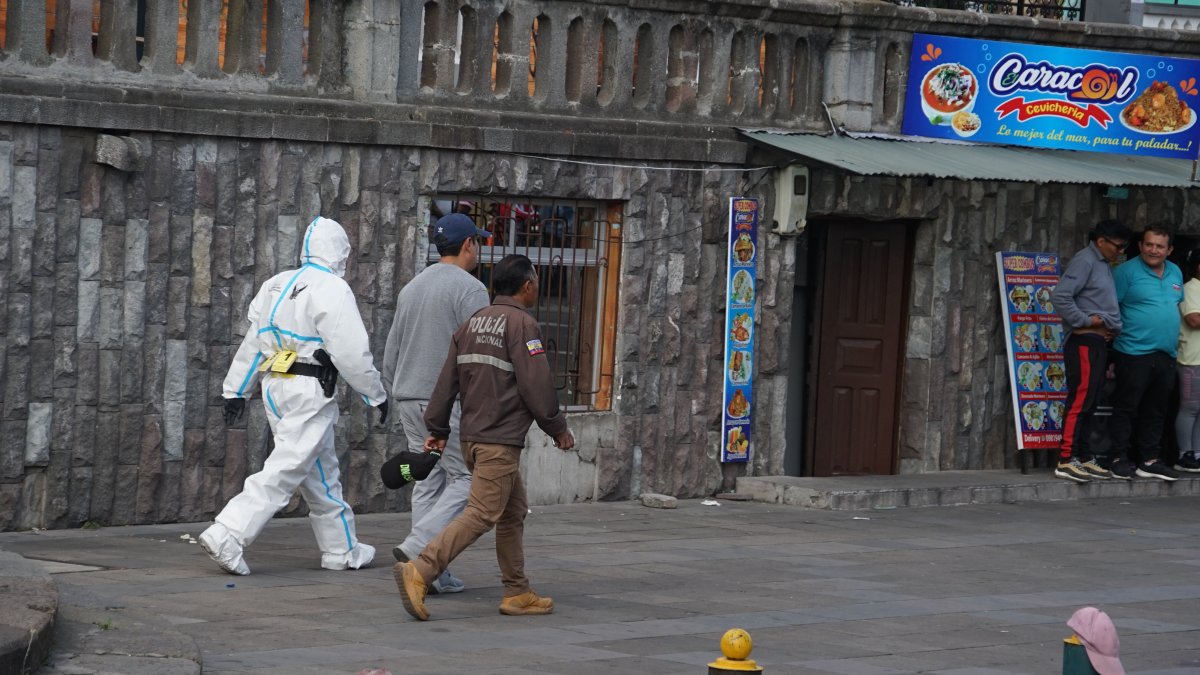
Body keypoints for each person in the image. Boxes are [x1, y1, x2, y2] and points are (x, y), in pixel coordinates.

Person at [198, 216, 389, 575]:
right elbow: (351, 352)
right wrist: (374, 394)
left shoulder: (276, 284)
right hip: (309, 387)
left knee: (318, 468)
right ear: (339, 253)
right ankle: (228, 532)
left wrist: (236, 390)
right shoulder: (331, 288)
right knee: (287, 466)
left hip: (275, 384)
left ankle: (341, 549)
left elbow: (255, 342)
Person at [394, 254, 575, 621]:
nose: (538, 286)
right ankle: (422, 569)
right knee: (482, 512)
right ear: (527, 285)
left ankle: (517, 591)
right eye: (537, 280)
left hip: (473, 438)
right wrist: (557, 427)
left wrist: (438, 429)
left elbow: (447, 382)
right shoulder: (522, 325)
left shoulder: (473, 323)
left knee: (512, 512)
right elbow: (536, 384)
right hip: (499, 440)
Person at [380, 212, 491, 595]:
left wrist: (394, 389)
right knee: (467, 479)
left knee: (427, 477)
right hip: (446, 400)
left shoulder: (412, 287)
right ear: (467, 245)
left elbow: (391, 349)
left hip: (407, 394)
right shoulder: (471, 288)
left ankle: (432, 574)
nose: (478, 249)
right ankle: (419, 548)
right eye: (478, 242)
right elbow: (480, 352)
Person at [1051, 220, 1132, 483]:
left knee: (1092, 401)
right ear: (1101, 242)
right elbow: (1061, 296)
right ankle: (1066, 459)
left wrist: (1109, 328)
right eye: (1118, 246)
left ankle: (1085, 457)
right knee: (1080, 399)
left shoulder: (1104, 264)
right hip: (1083, 341)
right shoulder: (1085, 260)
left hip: (1098, 342)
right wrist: (1087, 321)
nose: (1120, 251)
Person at [1108, 224, 1184, 481]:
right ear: (1140, 246)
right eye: (1148, 244)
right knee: (1126, 407)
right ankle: (1118, 458)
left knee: (1156, 409)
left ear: (1169, 250)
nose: (1153, 250)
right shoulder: (1125, 272)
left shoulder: (1175, 272)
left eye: (1159, 246)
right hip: (1132, 351)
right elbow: (1112, 308)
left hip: (1165, 353)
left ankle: (1149, 460)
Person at [1173, 247, 1200, 473]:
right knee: (1189, 408)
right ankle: (1184, 454)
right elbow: (1194, 319)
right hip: (1192, 359)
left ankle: (1197, 453)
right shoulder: (1190, 289)